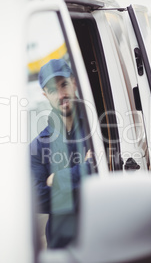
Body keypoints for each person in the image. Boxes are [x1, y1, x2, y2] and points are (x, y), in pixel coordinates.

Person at [30, 59, 93, 248]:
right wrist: (84, 170)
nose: (61, 94)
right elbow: (37, 198)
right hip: (61, 246)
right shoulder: (38, 146)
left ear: (74, 83)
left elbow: (103, 172)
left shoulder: (98, 129)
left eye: (64, 84)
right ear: (45, 95)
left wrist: (57, 179)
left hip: (99, 235)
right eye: (52, 89)